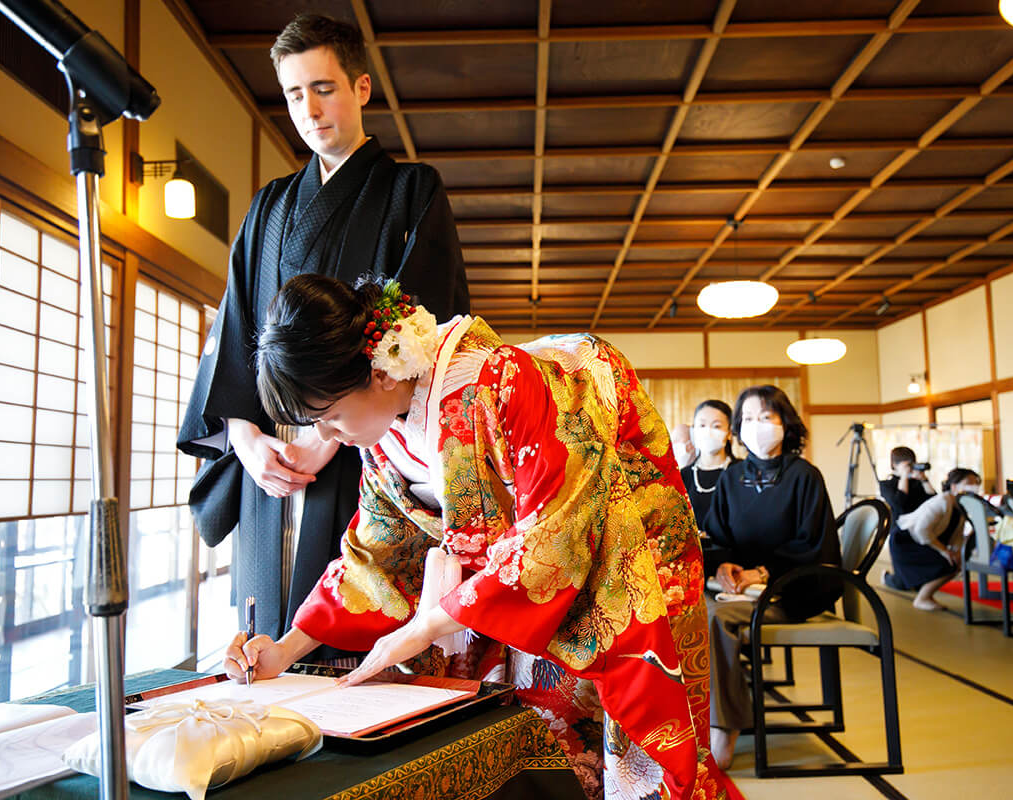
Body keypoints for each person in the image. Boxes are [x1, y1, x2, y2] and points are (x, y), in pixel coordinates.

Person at [222, 275, 732, 800]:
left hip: (621, 566)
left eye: (327, 418)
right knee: (527, 742)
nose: (325, 438)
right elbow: (374, 555)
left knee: (626, 755)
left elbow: (554, 535)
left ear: (378, 371)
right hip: (512, 591)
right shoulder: (381, 435)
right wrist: (284, 650)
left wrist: (425, 627)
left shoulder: (499, 380)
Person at [176, 13, 469, 649]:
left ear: (361, 87)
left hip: (362, 453)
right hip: (269, 463)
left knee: (356, 623)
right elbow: (233, 333)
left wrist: (328, 436)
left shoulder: (409, 190)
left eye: (324, 88)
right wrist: (247, 439)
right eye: (293, 94)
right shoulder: (269, 206)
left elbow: (420, 328)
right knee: (263, 637)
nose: (309, 109)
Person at [699, 385, 842, 770]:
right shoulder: (731, 479)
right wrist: (723, 566)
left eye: (766, 418)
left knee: (717, 619)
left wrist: (762, 572)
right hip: (742, 592)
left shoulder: (805, 476)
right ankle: (700, 715)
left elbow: (815, 544)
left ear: (785, 423)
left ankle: (723, 727)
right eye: (747, 419)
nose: (756, 427)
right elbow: (718, 538)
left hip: (790, 592)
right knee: (689, 610)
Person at [887, 468, 983, 612]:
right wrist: (944, 551)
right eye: (969, 484)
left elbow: (955, 537)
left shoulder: (961, 506)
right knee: (946, 563)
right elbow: (921, 530)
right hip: (905, 542)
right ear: (954, 487)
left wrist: (957, 554)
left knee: (955, 562)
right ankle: (922, 598)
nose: (973, 488)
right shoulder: (942, 501)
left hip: (921, 542)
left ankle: (890, 579)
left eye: (976, 485)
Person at [879, 447, 936, 592]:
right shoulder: (887, 484)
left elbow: (935, 501)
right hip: (899, 534)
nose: (909, 469)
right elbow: (899, 503)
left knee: (920, 582)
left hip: (919, 529)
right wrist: (903, 477)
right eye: (905, 465)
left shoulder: (917, 483)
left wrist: (924, 479)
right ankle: (887, 578)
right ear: (894, 466)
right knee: (903, 584)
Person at [680, 400, 735, 531]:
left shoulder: (741, 472)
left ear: (729, 432)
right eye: (702, 425)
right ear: (694, 430)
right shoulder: (683, 476)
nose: (708, 431)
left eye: (716, 426)